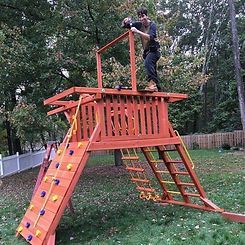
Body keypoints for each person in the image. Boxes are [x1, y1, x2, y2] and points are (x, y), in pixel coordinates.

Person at [122, 7, 161, 91]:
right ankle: (157, 88)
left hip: (154, 51)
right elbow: (128, 26)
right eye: (140, 17)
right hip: (147, 52)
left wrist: (137, 31)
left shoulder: (152, 25)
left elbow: (150, 37)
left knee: (148, 63)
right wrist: (126, 22)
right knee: (152, 69)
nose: (142, 19)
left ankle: (152, 85)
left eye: (143, 16)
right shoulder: (139, 24)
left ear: (147, 16)